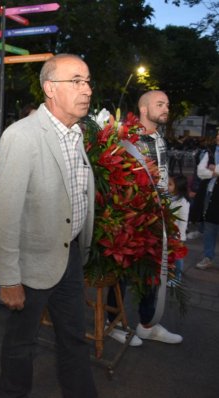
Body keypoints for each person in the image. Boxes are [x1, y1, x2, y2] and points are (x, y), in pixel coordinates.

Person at [0, 54, 97, 398]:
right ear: (50, 88)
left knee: (74, 340)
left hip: (69, 256)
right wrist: (8, 278)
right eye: (77, 81)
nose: (87, 90)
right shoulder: (22, 136)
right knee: (21, 345)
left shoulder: (76, 134)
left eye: (88, 81)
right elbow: (5, 212)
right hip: (30, 263)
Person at [107, 90, 183, 345]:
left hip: (156, 217)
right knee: (122, 273)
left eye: (167, 105)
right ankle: (112, 322)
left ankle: (147, 324)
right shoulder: (127, 138)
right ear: (143, 109)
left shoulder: (159, 138)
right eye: (160, 104)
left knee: (153, 271)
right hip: (131, 218)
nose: (166, 109)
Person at [193, 131, 219, 270]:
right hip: (210, 194)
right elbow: (200, 172)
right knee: (210, 226)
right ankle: (208, 256)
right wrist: (214, 172)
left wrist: (216, 169)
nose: (217, 137)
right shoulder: (210, 151)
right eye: (218, 134)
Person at [168, 174, 189, 282]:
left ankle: (177, 278)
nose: (168, 186)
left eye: (170, 184)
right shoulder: (170, 198)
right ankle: (170, 276)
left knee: (177, 257)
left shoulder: (183, 202)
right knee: (170, 256)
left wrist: (179, 238)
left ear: (178, 187)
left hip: (177, 235)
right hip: (169, 233)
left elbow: (183, 221)